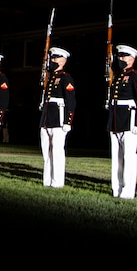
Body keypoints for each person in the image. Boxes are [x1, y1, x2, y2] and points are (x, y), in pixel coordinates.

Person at [106, 44, 137, 199]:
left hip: (129, 119)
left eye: (124, 56)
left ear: (132, 59)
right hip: (116, 118)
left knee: (129, 157)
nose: (121, 59)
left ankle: (128, 191)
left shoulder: (135, 76)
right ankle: (116, 188)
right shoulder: (117, 76)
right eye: (120, 56)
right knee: (116, 158)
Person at [39, 47, 76, 188]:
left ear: (63, 61)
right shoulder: (50, 77)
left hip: (58, 118)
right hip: (47, 117)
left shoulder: (65, 77)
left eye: (56, 58)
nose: (53, 60)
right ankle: (47, 180)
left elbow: (71, 101)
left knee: (57, 151)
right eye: (52, 58)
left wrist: (68, 120)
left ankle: (57, 181)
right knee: (46, 151)